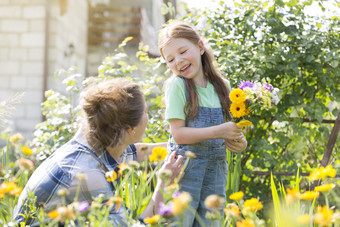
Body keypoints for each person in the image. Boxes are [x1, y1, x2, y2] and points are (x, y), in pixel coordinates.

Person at [12, 78, 184, 226]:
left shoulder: (97, 139)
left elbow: (136, 151)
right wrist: (163, 184)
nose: (150, 116)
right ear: (131, 129)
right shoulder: (86, 174)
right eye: (146, 112)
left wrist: (182, 144)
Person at [158, 21, 248, 227]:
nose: (178, 61)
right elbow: (179, 134)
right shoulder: (177, 85)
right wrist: (221, 131)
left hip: (215, 172)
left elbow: (228, 129)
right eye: (170, 59)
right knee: (180, 222)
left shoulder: (222, 85)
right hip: (184, 172)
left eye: (182, 52)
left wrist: (239, 142)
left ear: (200, 47)